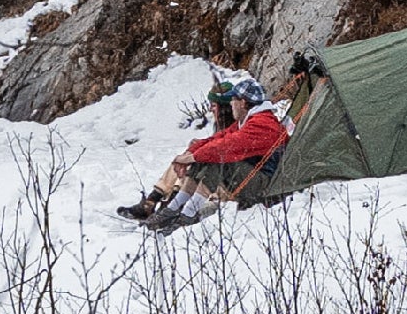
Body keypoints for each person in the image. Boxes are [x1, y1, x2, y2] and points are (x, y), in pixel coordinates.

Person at [117, 75, 290, 225]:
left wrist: (193, 156)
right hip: (248, 178)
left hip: (262, 186)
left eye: (233, 100)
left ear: (243, 102)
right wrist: (191, 153)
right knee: (203, 154)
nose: (231, 103)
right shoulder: (249, 120)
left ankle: (183, 212)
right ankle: (172, 209)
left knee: (215, 158)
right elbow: (217, 139)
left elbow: (227, 145)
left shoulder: (262, 124)